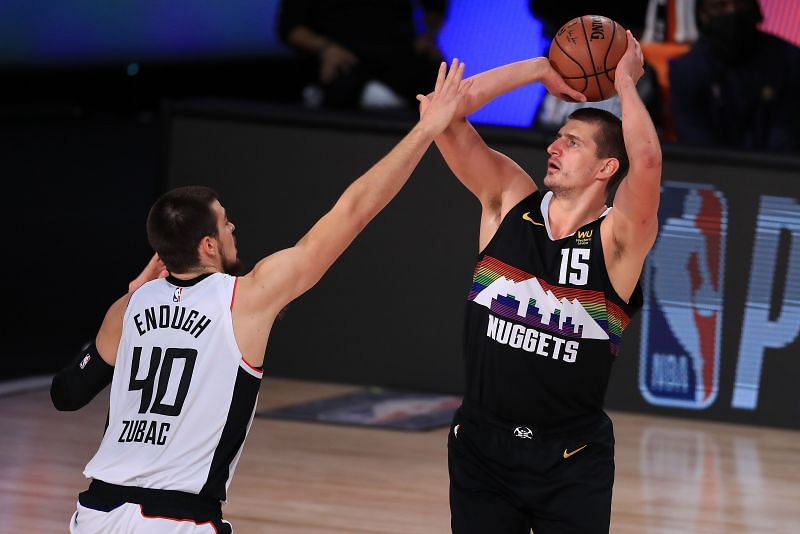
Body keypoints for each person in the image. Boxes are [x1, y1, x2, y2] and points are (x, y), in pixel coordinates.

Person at [50, 59, 471, 533]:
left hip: (95, 514)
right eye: (225, 222)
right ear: (208, 245)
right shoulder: (246, 297)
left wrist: (127, 301)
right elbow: (352, 211)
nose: (233, 228)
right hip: (176, 520)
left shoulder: (129, 308)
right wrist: (425, 131)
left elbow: (66, 394)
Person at [418, 31, 661, 533]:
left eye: (572, 143)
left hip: (571, 459)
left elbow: (650, 163)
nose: (554, 146)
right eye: (558, 137)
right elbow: (444, 117)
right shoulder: (507, 199)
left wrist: (625, 85)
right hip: (481, 447)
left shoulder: (619, 239)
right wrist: (537, 69)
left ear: (606, 167)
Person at [669, 0, 800, 152]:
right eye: (720, 5)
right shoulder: (687, 70)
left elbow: (788, 137)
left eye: (739, 3)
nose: (732, 12)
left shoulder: (790, 61)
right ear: (703, 14)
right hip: (710, 171)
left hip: (779, 169)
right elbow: (695, 144)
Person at [278, 0, 448, 109]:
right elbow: (290, 27)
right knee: (343, 87)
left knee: (442, 82)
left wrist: (428, 37)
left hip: (397, 55)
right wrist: (326, 49)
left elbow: (434, 8)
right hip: (344, 58)